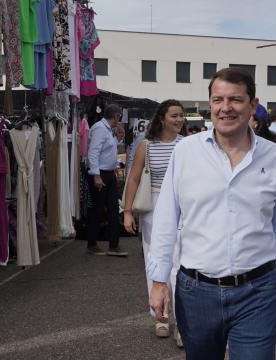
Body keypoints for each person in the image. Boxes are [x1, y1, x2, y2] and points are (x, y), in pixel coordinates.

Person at [148, 67, 276, 360]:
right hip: (197, 293)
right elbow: (166, 219)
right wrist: (158, 281)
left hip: (257, 292)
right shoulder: (186, 153)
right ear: (210, 104)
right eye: (218, 100)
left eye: (235, 99)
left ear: (253, 104)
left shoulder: (272, 157)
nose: (226, 108)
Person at [123, 99, 185, 346]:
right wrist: (127, 212)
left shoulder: (188, 145)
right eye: (175, 116)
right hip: (154, 205)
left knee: (181, 266)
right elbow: (134, 179)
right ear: (162, 119)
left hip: (182, 207)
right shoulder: (146, 146)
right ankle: (160, 317)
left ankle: (182, 322)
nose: (180, 120)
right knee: (156, 261)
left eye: (181, 115)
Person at [86, 104, 128, 256]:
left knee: (113, 208)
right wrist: (96, 175)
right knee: (98, 209)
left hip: (108, 173)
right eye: (119, 117)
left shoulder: (107, 130)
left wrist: (117, 139)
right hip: (100, 174)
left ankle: (113, 244)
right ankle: (92, 243)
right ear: (115, 116)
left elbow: (106, 150)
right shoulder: (99, 128)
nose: (119, 120)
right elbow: (93, 152)